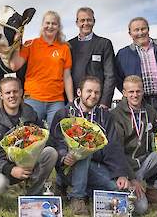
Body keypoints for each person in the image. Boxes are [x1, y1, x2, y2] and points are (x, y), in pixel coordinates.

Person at [49, 76, 130, 216]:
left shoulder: (105, 116)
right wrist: (64, 156)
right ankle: (77, 197)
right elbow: (55, 141)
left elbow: (113, 146)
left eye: (97, 92)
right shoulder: (63, 113)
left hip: (96, 167)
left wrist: (120, 174)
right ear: (79, 92)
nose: (93, 95)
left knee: (117, 189)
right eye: (89, 91)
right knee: (83, 151)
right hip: (70, 167)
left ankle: (80, 190)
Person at [111, 75, 157, 214]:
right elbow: (117, 153)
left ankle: (156, 189)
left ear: (143, 91)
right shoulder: (116, 115)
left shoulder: (149, 110)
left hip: (145, 162)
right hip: (127, 167)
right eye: (131, 92)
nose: (135, 95)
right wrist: (132, 179)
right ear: (124, 93)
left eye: (138, 91)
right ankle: (139, 190)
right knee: (141, 209)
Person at [0, 77, 57, 204]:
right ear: (1, 95)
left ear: (21, 92)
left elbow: (44, 139)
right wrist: (10, 169)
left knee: (50, 152)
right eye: (8, 93)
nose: (12, 95)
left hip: (25, 164)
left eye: (15, 91)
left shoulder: (29, 112)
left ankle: (33, 193)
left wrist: (31, 158)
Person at [10, 11, 74, 127]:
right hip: (33, 98)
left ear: (58, 27)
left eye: (54, 24)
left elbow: (67, 76)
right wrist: (16, 44)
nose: (50, 26)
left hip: (56, 101)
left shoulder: (64, 48)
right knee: (32, 135)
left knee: (56, 135)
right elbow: (15, 65)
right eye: (47, 23)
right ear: (42, 25)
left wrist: (71, 102)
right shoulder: (30, 44)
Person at [115, 17, 157, 119]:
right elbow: (118, 78)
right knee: (142, 134)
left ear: (148, 29)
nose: (140, 33)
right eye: (136, 30)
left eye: (143, 29)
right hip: (139, 103)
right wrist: (130, 94)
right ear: (130, 33)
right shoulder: (123, 54)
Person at [68, 7, 116, 109]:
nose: (86, 23)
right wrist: (70, 101)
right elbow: (66, 75)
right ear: (77, 23)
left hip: (97, 102)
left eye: (89, 20)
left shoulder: (104, 44)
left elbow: (110, 75)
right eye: (82, 20)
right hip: (75, 103)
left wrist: (105, 102)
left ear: (94, 21)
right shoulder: (69, 45)